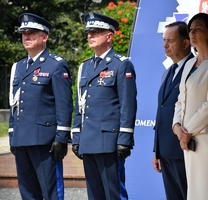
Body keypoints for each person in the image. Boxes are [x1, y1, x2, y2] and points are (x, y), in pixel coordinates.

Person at [71, 11, 137, 200]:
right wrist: (77, 136)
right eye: (89, 32)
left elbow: (128, 104)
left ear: (109, 36)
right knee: (95, 195)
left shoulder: (121, 65)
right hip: (89, 140)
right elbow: (80, 105)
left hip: (109, 142)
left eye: (95, 32)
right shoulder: (85, 67)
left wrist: (124, 138)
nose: (90, 35)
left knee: (114, 194)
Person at [8, 13, 73, 200]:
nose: (26, 37)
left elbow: (64, 104)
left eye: (32, 33)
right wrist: (12, 133)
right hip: (21, 140)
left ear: (44, 37)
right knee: (28, 193)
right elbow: (14, 104)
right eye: (24, 33)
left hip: (45, 141)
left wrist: (61, 137)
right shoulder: (18, 67)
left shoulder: (55, 65)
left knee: (51, 192)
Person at [172, 13, 208, 200]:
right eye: (190, 30)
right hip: (189, 139)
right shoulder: (189, 64)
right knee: (195, 192)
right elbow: (181, 99)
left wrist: (186, 130)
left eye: (198, 29)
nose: (192, 33)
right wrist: (177, 127)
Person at [152, 21, 193, 200]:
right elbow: (161, 112)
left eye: (170, 41)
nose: (165, 45)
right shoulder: (168, 72)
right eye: (164, 40)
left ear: (185, 43)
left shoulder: (195, 68)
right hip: (166, 150)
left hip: (185, 149)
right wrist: (157, 150)